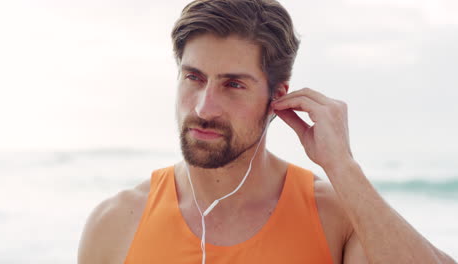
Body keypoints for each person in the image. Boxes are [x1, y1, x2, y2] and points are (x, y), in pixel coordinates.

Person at [78, 0, 456, 263]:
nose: (204, 107)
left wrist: (342, 167)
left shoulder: (337, 218)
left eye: (234, 85)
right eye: (194, 78)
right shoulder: (115, 222)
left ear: (277, 97)